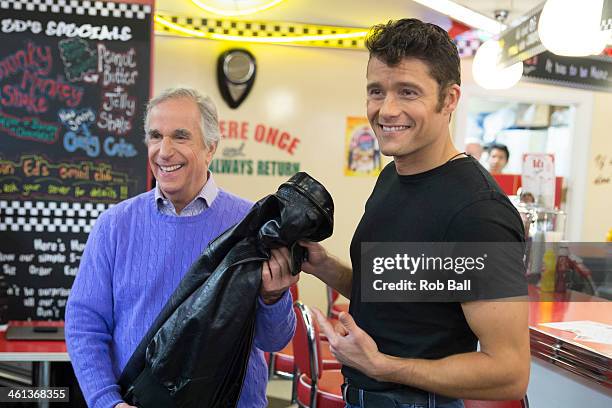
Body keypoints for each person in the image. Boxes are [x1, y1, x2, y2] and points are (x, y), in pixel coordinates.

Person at [301, 19, 530, 407]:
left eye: (408, 92)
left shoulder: (478, 213)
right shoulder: (393, 176)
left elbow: (509, 372)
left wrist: (384, 366)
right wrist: (325, 266)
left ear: (450, 99)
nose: (386, 109)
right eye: (377, 91)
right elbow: (399, 300)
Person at [65, 87, 297, 408]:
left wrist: (273, 298)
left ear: (210, 148)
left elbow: (274, 339)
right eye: (156, 136)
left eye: (181, 136)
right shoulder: (114, 225)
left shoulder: (251, 225)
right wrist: (107, 401)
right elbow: (84, 325)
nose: (164, 150)